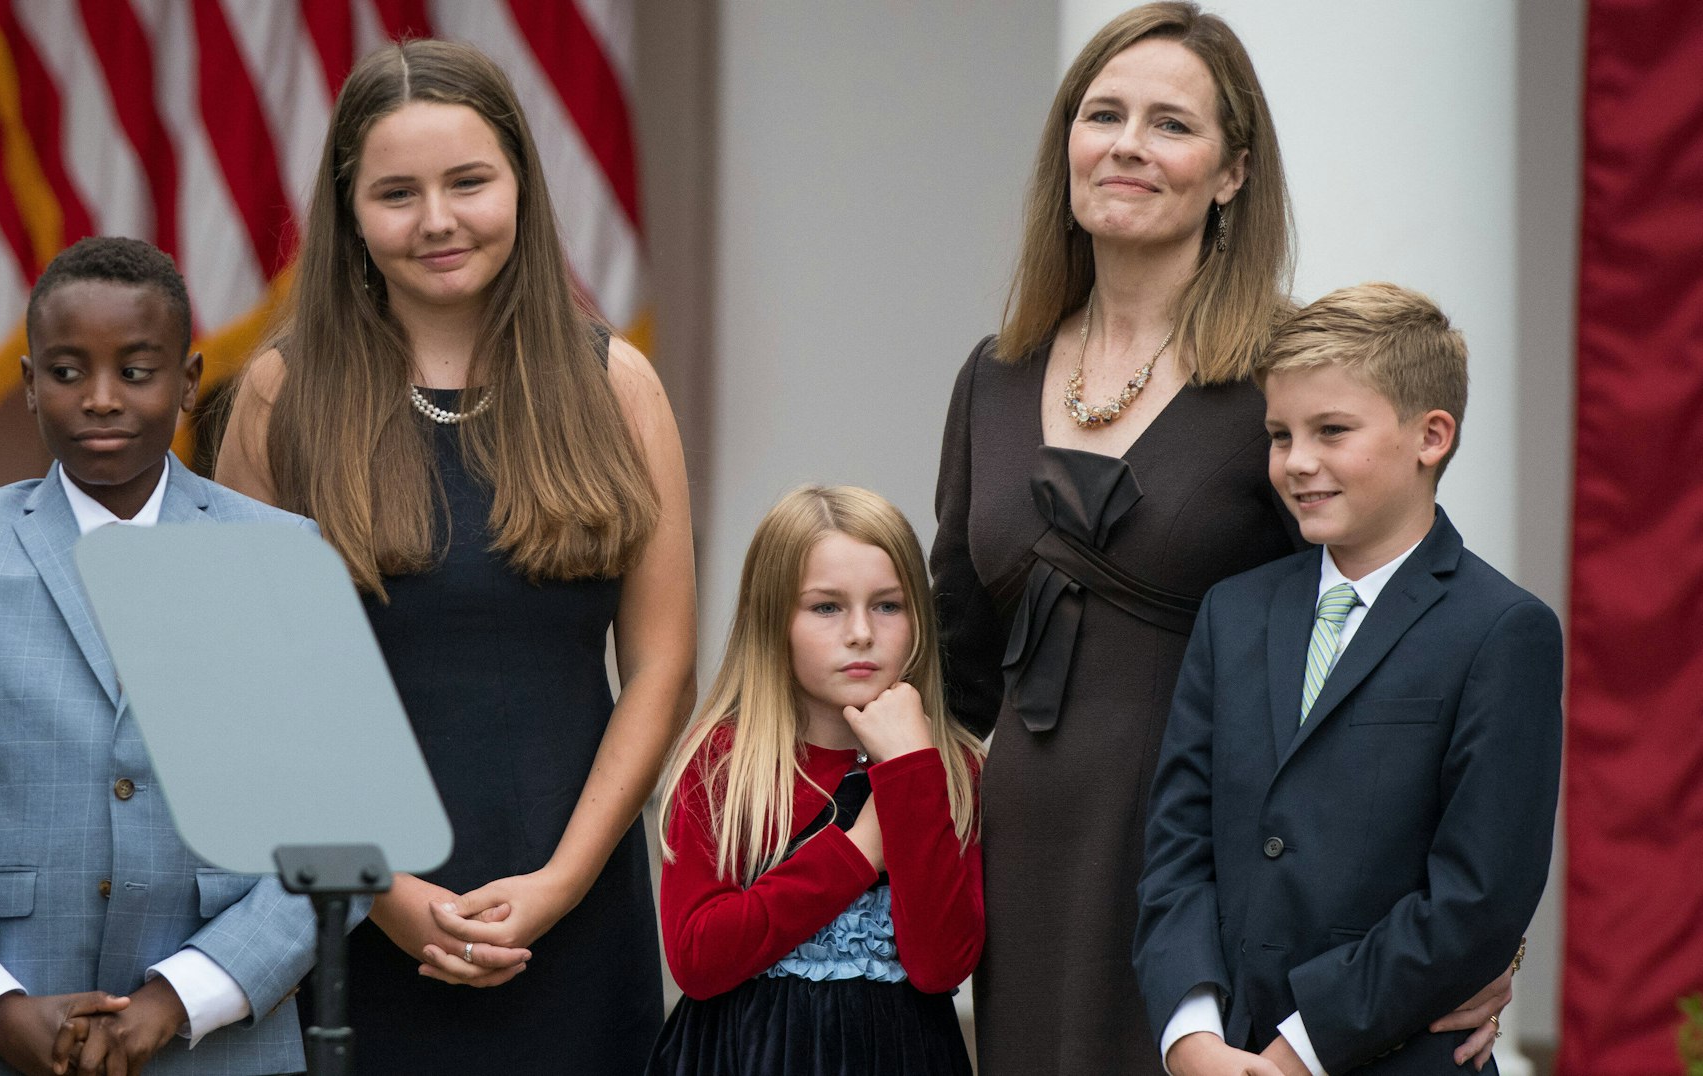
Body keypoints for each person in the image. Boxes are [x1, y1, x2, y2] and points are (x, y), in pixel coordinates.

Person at [929, 4, 1515, 1071]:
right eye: (1100, 113)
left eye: (1169, 124)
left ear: (1231, 171)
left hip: (1218, 884)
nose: (1125, 145)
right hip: (1025, 863)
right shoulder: (993, 374)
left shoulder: (1282, 385)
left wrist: (1474, 934)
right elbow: (954, 663)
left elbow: (1388, 658)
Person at [214, 39, 695, 1073]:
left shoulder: (618, 387)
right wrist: (378, 890)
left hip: (573, 914)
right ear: (349, 212)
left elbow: (660, 665)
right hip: (350, 924)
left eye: (468, 181)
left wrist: (562, 880)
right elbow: (252, 694)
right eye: (396, 192)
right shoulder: (277, 399)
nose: (436, 219)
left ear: (520, 181)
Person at [0, 236, 318, 1076]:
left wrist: (180, 997)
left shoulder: (276, 556)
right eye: (65, 372)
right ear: (27, 384)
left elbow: (326, 855)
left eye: (136, 371)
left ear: (190, 381)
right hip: (1, 1046)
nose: (100, 399)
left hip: (224, 1047)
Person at [1134, 283, 1561, 1075]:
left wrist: (1301, 1049)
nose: (1298, 462)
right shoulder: (1233, 614)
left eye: (1332, 430)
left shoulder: (1505, 630)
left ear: (1431, 436)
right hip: (1225, 1051)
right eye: (1279, 434)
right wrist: (1193, 1036)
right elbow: (1178, 846)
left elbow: (1478, 894)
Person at [647, 485, 985, 1076]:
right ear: (773, 619)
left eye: (888, 605)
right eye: (826, 607)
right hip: (744, 1054)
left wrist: (910, 774)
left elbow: (941, 964)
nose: (860, 633)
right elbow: (697, 959)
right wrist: (863, 848)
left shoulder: (954, 767)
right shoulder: (722, 761)